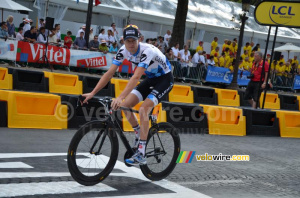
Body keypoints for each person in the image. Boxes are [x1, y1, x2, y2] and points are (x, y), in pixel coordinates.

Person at [82, 24, 174, 165]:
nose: (131, 44)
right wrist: (93, 92)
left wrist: (119, 97)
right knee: (125, 106)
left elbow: (136, 77)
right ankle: (139, 133)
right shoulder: (123, 51)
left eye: (134, 41)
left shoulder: (147, 50)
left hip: (165, 80)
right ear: (123, 41)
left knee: (143, 109)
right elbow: (109, 73)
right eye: (128, 41)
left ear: (139, 39)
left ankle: (141, 153)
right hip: (151, 79)